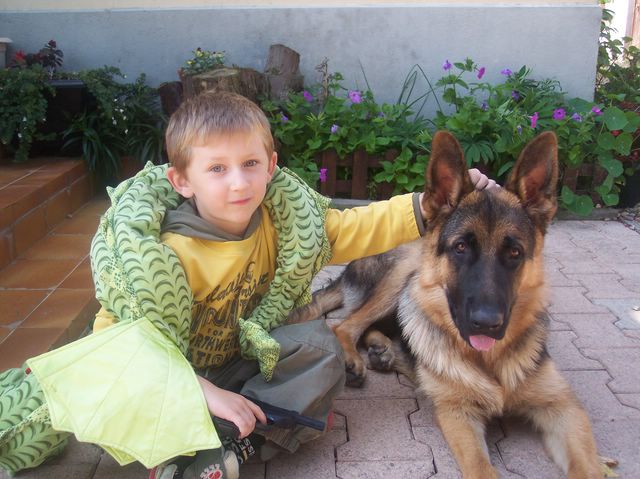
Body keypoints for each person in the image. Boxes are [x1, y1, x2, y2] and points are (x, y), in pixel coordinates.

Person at [0, 90, 494, 479]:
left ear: (271, 165)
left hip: (234, 359)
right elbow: (120, 344)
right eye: (217, 169)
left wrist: (427, 206)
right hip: (163, 372)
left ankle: (227, 441)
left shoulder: (284, 225)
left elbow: (354, 227)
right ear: (182, 181)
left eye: (250, 164)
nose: (238, 182)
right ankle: (191, 439)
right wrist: (197, 390)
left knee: (320, 352)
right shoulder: (163, 254)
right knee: (88, 390)